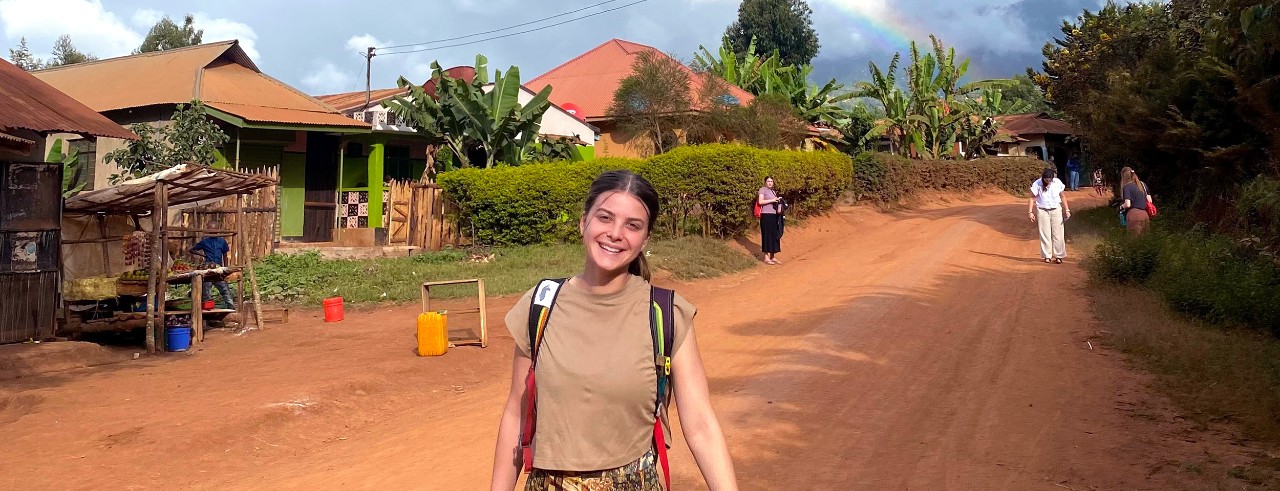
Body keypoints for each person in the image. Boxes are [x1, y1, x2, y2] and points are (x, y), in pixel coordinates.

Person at [490, 170, 738, 490]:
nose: (615, 233)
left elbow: (701, 424)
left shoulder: (665, 313)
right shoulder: (540, 306)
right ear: (584, 222)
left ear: (645, 239)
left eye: (632, 225)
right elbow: (516, 413)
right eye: (605, 218)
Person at [1028, 168, 1071, 263]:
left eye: (1049, 180)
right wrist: (1030, 212)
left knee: (1058, 233)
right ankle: (1047, 255)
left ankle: (1059, 255)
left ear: (1052, 178)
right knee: (1044, 233)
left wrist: (1067, 209)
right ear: (1043, 178)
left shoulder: (1057, 182)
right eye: (1046, 180)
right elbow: (1031, 198)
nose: (1048, 182)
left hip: (1056, 209)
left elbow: (1062, 196)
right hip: (1042, 210)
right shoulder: (1037, 183)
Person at [190, 222, 235, 309]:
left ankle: (231, 308)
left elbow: (225, 255)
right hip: (208, 269)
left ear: (218, 231)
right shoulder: (205, 241)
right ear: (208, 231)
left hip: (218, 269)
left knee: (225, 290)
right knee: (206, 292)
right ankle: (207, 311)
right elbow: (192, 250)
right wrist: (203, 255)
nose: (213, 233)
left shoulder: (222, 241)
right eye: (211, 231)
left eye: (214, 231)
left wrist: (225, 268)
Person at [758, 177, 784, 265]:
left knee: (774, 235)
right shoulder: (762, 190)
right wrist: (773, 200)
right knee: (767, 235)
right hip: (766, 215)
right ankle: (766, 257)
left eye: (771, 181)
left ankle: (772, 257)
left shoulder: (773, 191)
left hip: (774, 215)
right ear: (765, 182)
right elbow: (760, 201)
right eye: (768, 181)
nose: (770, 183)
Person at [1120, 166, 1152, 235]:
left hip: (1134, 215)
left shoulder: (1127, 187)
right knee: (1145, 239)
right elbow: (1150, 200)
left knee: (1134, 241)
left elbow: (1128, 204)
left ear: (1123, 177)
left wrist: (1122, 206)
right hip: (1145, 215)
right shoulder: (1143, 185)